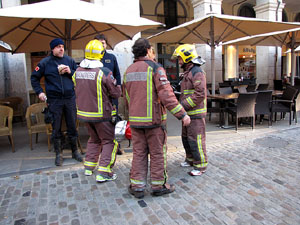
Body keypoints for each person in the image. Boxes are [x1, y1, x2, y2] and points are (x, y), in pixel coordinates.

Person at [123, 38, 191, 198]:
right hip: (154, 122)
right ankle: (158, 185)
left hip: (136, 121)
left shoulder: (129, 70)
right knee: (157, 153)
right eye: (152, 50)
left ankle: (137, 186)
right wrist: (182, 114)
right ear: (147, 50)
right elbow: (167, 94)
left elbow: (126, 97)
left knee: (138, 153)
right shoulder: (155, 68)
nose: (153, 53)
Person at [72, 40, 121, 183]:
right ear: (100, 54)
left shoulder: (78, 72)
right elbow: (116, 93)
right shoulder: (104, 72)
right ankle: (104, 172)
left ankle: (89, 167)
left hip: (84, 114)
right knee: (109, 142)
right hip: (102, 115)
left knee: (94, 140)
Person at [31, 38, 83, 166]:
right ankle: (58, 154)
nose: (61, 49)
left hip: (70, 98)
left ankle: (75, 151)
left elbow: (79, 76)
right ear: (52, 49)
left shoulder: (69, 61)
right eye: (58, 46)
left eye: (62, 46)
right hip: (54, 100)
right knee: (56, 127)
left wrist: (71, 72)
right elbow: (34, 78)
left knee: (72, 125)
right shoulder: (45, 63)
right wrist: (40, 92)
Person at [172, 44, 208, 176]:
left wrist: (183, 105)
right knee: (186, 138)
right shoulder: (188, 72)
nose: (179, 61)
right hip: (188, 113)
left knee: (196, 139)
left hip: (196, 113)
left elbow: (200, 93)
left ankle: (200, 165)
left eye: (180, 58)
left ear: (187, 57)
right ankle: (190, 159)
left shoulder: (197, 72)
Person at [94, 34, 124, 155]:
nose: (102, 45)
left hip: (111, 96)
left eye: (104, 43)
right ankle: (102, 146)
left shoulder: (111, 57)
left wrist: (119, 88)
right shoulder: (92, 59)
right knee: (100, 122)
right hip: (98, 97)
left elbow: (117, 74)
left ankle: (117, 146)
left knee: (114, 120)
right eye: (99, 43)